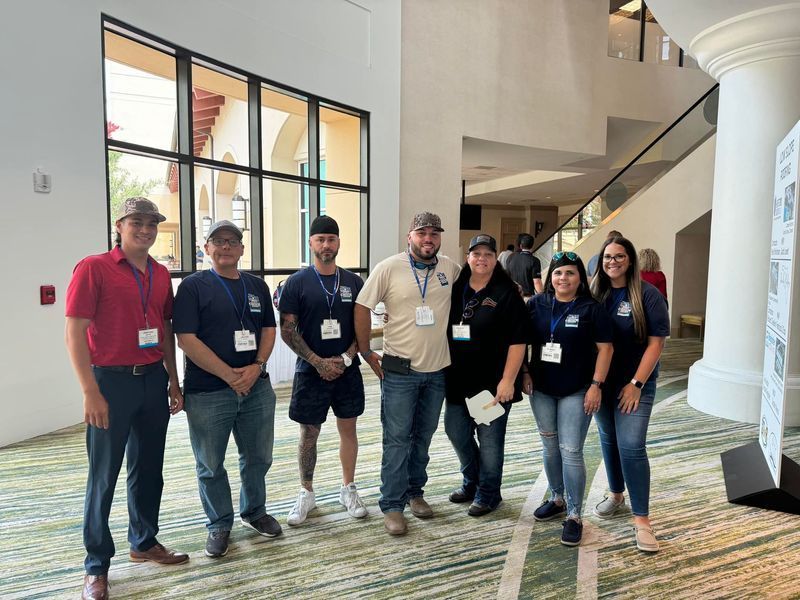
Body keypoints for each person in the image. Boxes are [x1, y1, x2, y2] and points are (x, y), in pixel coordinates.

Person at [65, 197, 188, 600]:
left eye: (151, 223)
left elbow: (165, 327)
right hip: (110, 383)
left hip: (153, 379)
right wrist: (90, 391)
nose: (145, 229)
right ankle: (96, 565)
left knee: (149, 468)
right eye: (137, 222)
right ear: (120, 225)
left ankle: (144, 541)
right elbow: (75, 331)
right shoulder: (94, 268)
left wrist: (172, 379)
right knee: (104, 475)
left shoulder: (160, 273)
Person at [173, 220, 281, 559]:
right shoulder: (192, 287)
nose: (225, 247)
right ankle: (219, 523)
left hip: (256, 389)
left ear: (242, 249)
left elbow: (267, 329)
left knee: (259, 456)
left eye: (232, 241)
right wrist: (229, 375)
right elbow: (185, 339)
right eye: (217, 241)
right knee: (210, 464)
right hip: (207, 392)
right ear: (206, 248)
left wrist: (257, 366)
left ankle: (254, 511)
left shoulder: (256, 286)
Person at [354, 212, 461, 536]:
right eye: (422, 233)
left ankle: (416, 493)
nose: (428, 239)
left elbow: (479, 285)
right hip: (400, 371)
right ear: (409, 237)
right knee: (397, 440)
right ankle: (392, 505)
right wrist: (366, 351)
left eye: (434, 233)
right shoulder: (389, 267)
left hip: (438, 371)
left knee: (423, 438)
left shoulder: (449, 268)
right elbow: (361, 307)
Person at [278, 215, 368, 526]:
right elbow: (287, 330)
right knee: (309, 433)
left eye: (331, 239)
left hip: (347, 369)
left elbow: (363, 329)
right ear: (311, 243)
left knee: (349, 430)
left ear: (339, 242)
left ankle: (348, 487)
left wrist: (344, 358)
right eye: (320, 239)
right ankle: (306, 492)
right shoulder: (297, 282)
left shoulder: (354, 282)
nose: (326, 245)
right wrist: (317, 362)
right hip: (309, 370)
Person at [525, 251, 613, 546]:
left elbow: (606, 350)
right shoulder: (536, 304)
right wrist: (523, 371)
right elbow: (520, 342)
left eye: (570, 273)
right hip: (541, 388)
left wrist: (596, 385)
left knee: (571, 449)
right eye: (558, 273)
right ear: (551, 277)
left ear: (580, 278)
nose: (564, 278)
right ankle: (558, 497)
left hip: (577, 389)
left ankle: (574, 515)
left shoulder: (591, 308)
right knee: (549, 443)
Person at [590, 236, 670, 553]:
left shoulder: (647, 295)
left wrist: (635, 384)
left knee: (632, 445)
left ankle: (642, 521)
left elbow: (656, 344)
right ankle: (615, 494)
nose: (613, 262)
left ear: (630, 259)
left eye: (619, 256)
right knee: (608, 437)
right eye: (608, 256)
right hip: (601, 382)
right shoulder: (595, 292)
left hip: (636, 382)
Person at [444, 234, 527, 516]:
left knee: (490, 441)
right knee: (456, 432)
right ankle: (473, 481)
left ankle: (489, 493)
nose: (481, 259)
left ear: (496, 259)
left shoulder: (506, 293)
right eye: (476, 253)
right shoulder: (456, 289)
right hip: (457, 379)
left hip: (490, 385)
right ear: (467, 257)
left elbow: (518, 341)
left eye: (488, 254)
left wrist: (508, 380)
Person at [506, 233, 543, 299]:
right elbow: (537, 282)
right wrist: (542, 297)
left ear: (520, 246)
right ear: (532, 246)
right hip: (526, 297)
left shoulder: (510, 257)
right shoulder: (535, 260)